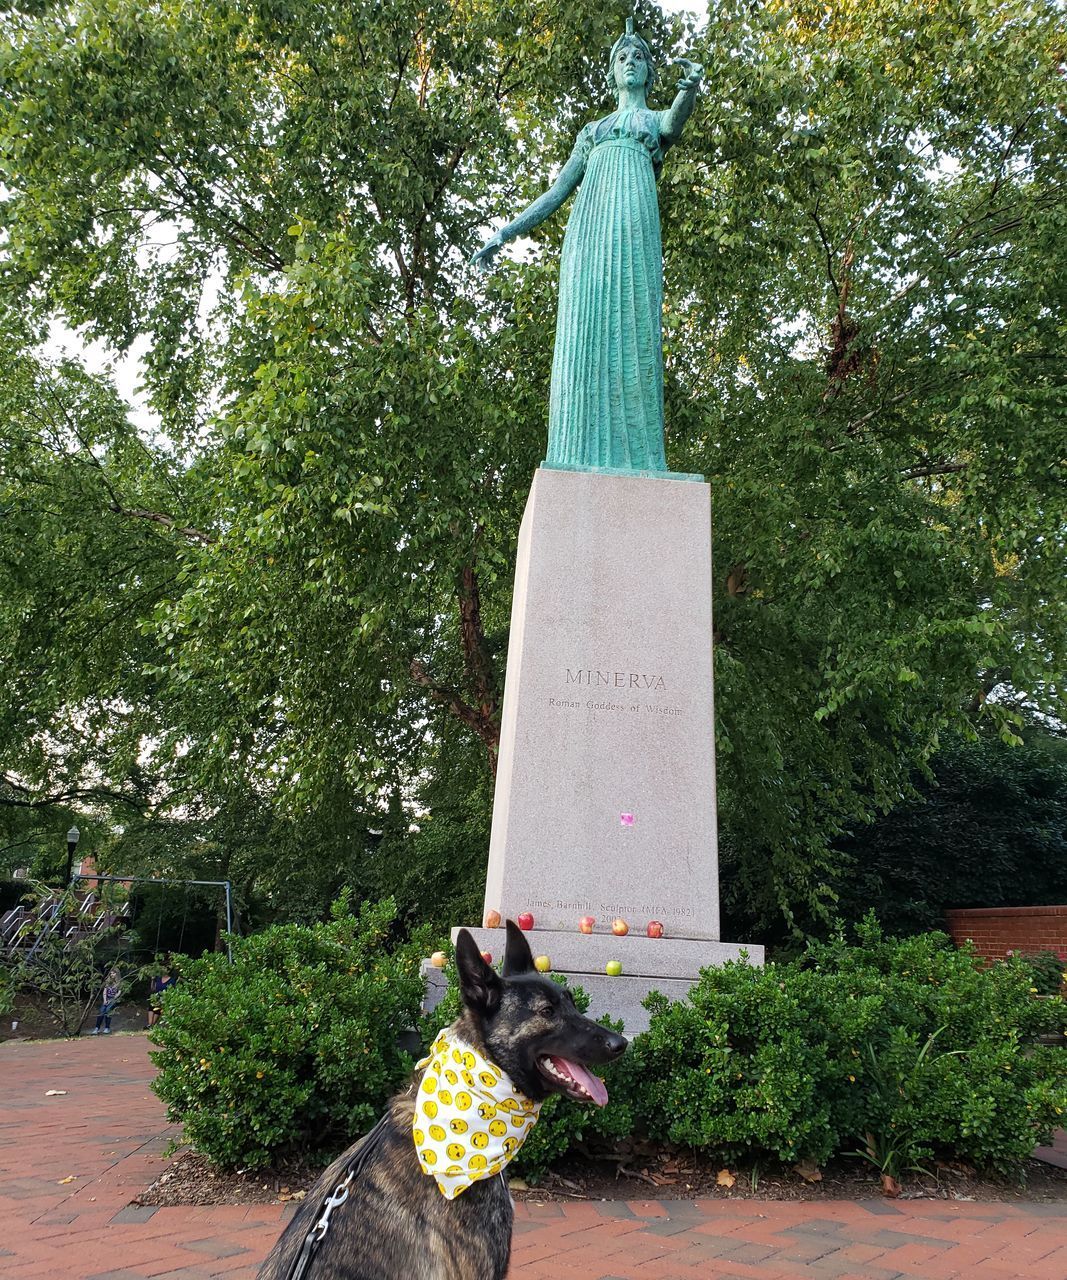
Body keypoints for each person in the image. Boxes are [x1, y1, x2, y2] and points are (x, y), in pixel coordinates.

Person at [472, 20, 703, 473]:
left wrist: (690, 86)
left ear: (649, 72)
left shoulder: (649, 122)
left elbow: (675, 121)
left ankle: (638, 456)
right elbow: (556, 192)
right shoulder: (593, 131)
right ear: (612, 72)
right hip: (590, 236)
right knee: (586, 330)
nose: (630, 63)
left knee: (634, 324)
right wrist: (505, 232)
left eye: (638, 57)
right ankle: (574, 451)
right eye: (622, 58)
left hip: (634, 230)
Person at [90, 965, 122, 1035]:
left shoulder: (119, 983)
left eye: (113, 973)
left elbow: (119, 992)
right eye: (111, 973)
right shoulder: (108, 981)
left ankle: (107, 1028)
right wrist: (105, 1000)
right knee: (101, 1011)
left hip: (113, 999)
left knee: (108, 1011)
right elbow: (105, 991)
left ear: (117, 974)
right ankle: (97, 1028)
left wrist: (113, 999)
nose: (112, 974)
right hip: (106, 998)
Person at [147, 961, 175, 1028]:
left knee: (158, 1008)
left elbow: (172, 991)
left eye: (164, 969)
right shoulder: (158, 978)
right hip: (156, 997)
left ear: (168, 971)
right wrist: (152, 980)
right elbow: (153, 989)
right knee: (151, 1007)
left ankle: (152, 1025)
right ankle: (150, 1024)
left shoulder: (171, 980)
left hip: (164, 999)